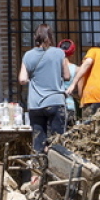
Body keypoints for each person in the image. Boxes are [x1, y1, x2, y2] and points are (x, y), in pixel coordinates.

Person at [19, 24, 70, 153]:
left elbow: (22, 79)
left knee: (38, 143)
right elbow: (67, 76)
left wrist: (33, 80)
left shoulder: (28, 55)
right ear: (51, 37)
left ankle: (37, 165)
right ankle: (55, 165)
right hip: (55, 102)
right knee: (57, 144)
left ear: (35, 37)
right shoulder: (59, 53)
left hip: (35, 104)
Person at [68, 41, 100, 118]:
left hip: (93, 97)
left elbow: (87, 63)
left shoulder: (94, 50)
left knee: (90, 124)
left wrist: (73, 84)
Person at [57, 38, 80, 123]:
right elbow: (80, 92)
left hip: (56, 105)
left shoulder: (54, 68)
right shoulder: (77, 69)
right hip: (70, 105)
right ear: (72, 54)